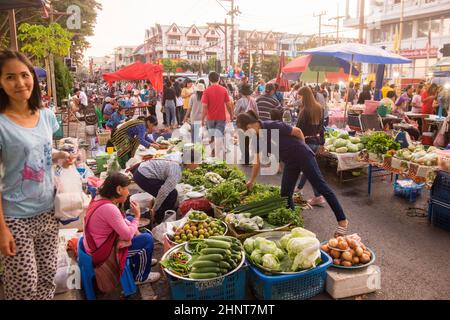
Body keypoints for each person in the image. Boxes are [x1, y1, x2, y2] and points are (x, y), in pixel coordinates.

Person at [0, 49, 72, 300]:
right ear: (0, 82)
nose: (20, 83)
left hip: (47, 211)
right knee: (23, 286)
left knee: (47, 277)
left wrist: (59, 155)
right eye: (10, 77)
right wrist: (1, 229)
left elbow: (39, 154)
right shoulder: (1, 124)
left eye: (24, 75)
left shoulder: (46, 116)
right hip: (14, 218)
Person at [237, 111, 349, 237]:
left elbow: (298, 132)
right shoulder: (257, 138)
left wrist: (302, 149)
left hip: (303, 156)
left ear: (249, 126)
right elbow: (256, 162)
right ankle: (293, 223)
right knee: (285, 194)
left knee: (322, 187)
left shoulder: (273, 125)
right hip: (290, 162)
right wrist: (251, 181)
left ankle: (342, 221)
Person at [83, 173, 160, 285]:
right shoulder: (109, 208)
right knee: (147, 239)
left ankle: (143, 258)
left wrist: (133, 226)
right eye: (127, 189)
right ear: (119, 189)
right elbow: (128, 235)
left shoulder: (99, 197)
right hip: (104, 252)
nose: (128, 193)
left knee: (129, 218)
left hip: (97, 243)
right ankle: (141, 277)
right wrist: (137, 216)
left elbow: (124, 223)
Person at [132, 153, 186, 225]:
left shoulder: (179, 157)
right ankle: (159, 221)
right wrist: (155, 208)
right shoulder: (176, 170)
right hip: (143, 176)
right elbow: (163, 192)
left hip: (142, 169)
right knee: (171, 195)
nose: (198, 165)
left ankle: (159, 215)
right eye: (197, 163)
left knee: (171, 192)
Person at [295, 87, 325, 205]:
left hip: (305, 142)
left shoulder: (305, 111)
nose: (299, 99)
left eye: (300, 97)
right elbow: (321, 128)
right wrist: (322, 143)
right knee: (307, 168)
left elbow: (298, 129)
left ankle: (318, 196)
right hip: (315, 142)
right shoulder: (319, 108)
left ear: (304, 96)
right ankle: (299, 188)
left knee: (310, 170)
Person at [201, 72, 234, 158]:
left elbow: (204, 107)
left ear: (209, 80)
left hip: (210, 118)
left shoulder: (206, 91)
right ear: (219, 79)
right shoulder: (224, 90)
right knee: (219, 136)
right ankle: (218, 155)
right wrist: (231, 115)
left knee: (211, 136)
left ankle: (213, 151)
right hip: (221, 118)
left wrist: (202, 119)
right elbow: (228, 104)